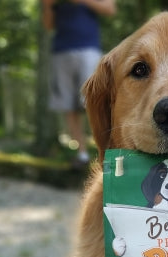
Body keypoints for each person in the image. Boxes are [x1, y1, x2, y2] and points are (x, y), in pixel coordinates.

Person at [42, 0, 116, 169]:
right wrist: (47, 6)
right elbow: (48, 25)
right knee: (68, 106)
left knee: (96, 100)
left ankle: (110, 152)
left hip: (88, 49)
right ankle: (82, 154)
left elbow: (110, 9)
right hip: (60, 51)